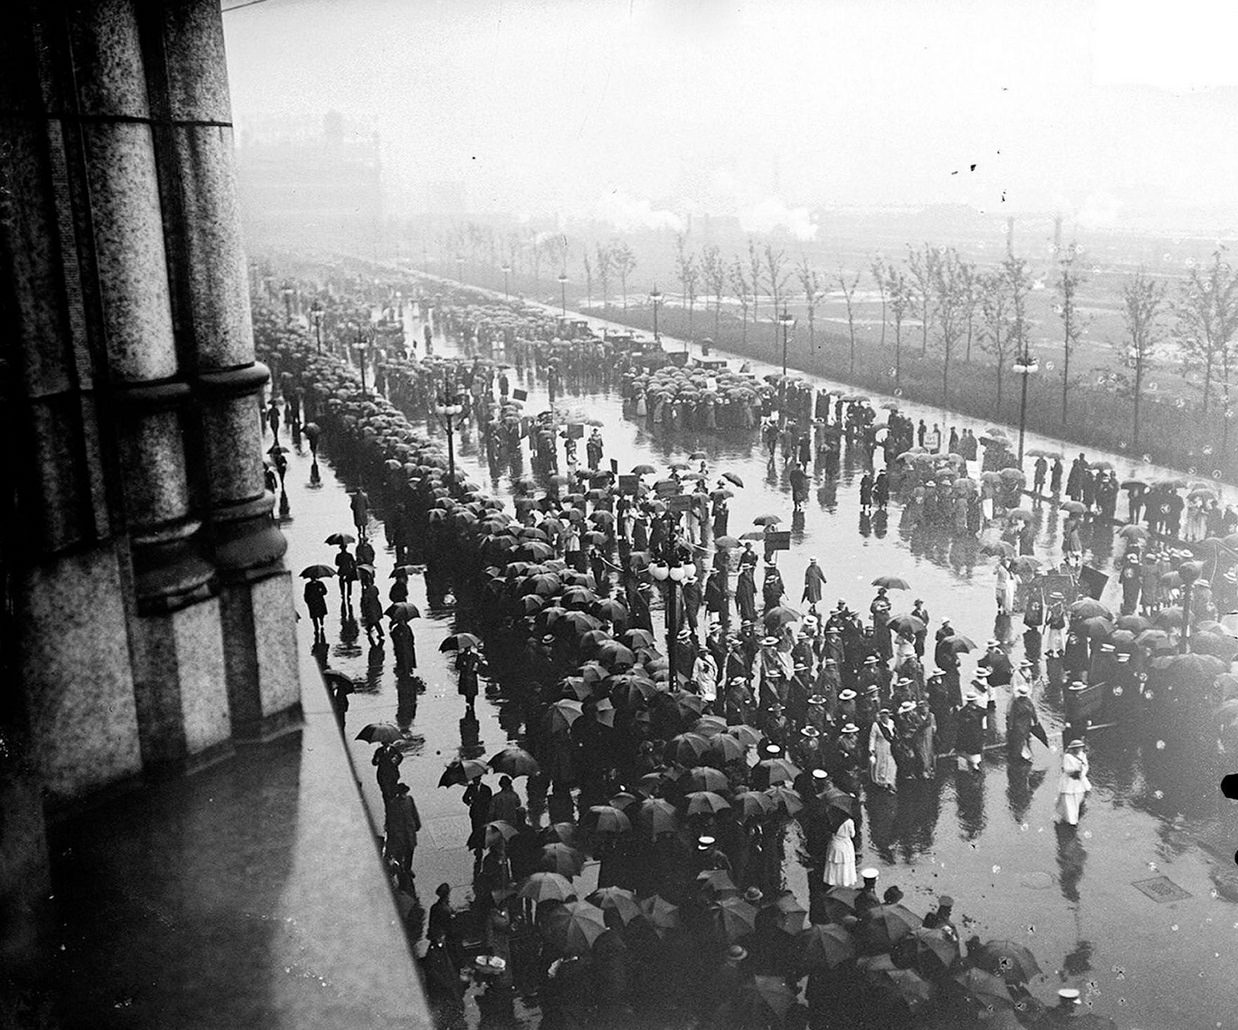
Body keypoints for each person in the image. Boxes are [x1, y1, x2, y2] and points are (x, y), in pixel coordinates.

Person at [383, 781, 421, 887]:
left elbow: (414, 812)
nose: (404, 795)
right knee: (400, 854)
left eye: (405, 793)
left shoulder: (410, 800)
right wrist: (392, 832)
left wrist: (417, 823)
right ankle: (401, 871)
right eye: (403, 793)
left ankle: (407, 869)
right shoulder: (393, 804)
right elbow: (390, 820)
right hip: (400, 834)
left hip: (409, 831)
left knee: (410, 852)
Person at [1054, 739, 1091, 826]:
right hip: (1069, 781)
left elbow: (1086, 766)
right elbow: (1067, 768)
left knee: (1078, 798)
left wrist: (1082, 773)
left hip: (1079, 781)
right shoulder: (1067, 757)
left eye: (1080, 748)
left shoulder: (1083, 755)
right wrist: (1076, 771)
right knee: (1068, 800)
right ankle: (1071, 821)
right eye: (1077, 748)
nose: (1079, 750)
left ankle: (1076, 813)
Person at [823, 810, 857, 887]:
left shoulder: (832, 819)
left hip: (834, 843)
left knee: (833, 864)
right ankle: (844, 882)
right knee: (845, 864)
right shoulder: (849, 822)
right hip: (845, 845)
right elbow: (852, 835)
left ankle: (832, 881)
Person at [868, 709, 897, 790]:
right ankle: (882, 781)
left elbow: (894, 733)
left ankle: (890, 781)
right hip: (880, 746)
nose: (884, 718)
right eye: (882, 716)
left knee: (891, 763)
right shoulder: (876, 725)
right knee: (881, 764)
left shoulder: (891, 722)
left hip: (890, 745)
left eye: (886, 716)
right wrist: (872, 748)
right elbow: (872, 737)